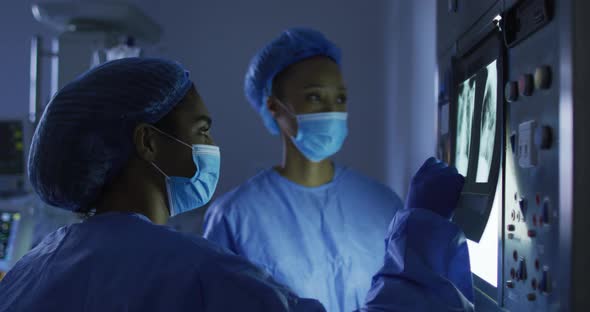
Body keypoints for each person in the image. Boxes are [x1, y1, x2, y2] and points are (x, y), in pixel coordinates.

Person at [0, 58, 473, 312]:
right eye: (201, 131)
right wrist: (423, 231)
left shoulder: (29, 272)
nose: (212, 144)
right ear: (147, 142)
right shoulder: (200, 277)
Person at [203, 27, 403, 312]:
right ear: (274, 107)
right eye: (314, 97)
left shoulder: (383, 204)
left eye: (340, 98)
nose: (332, 110)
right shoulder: (235, 216)